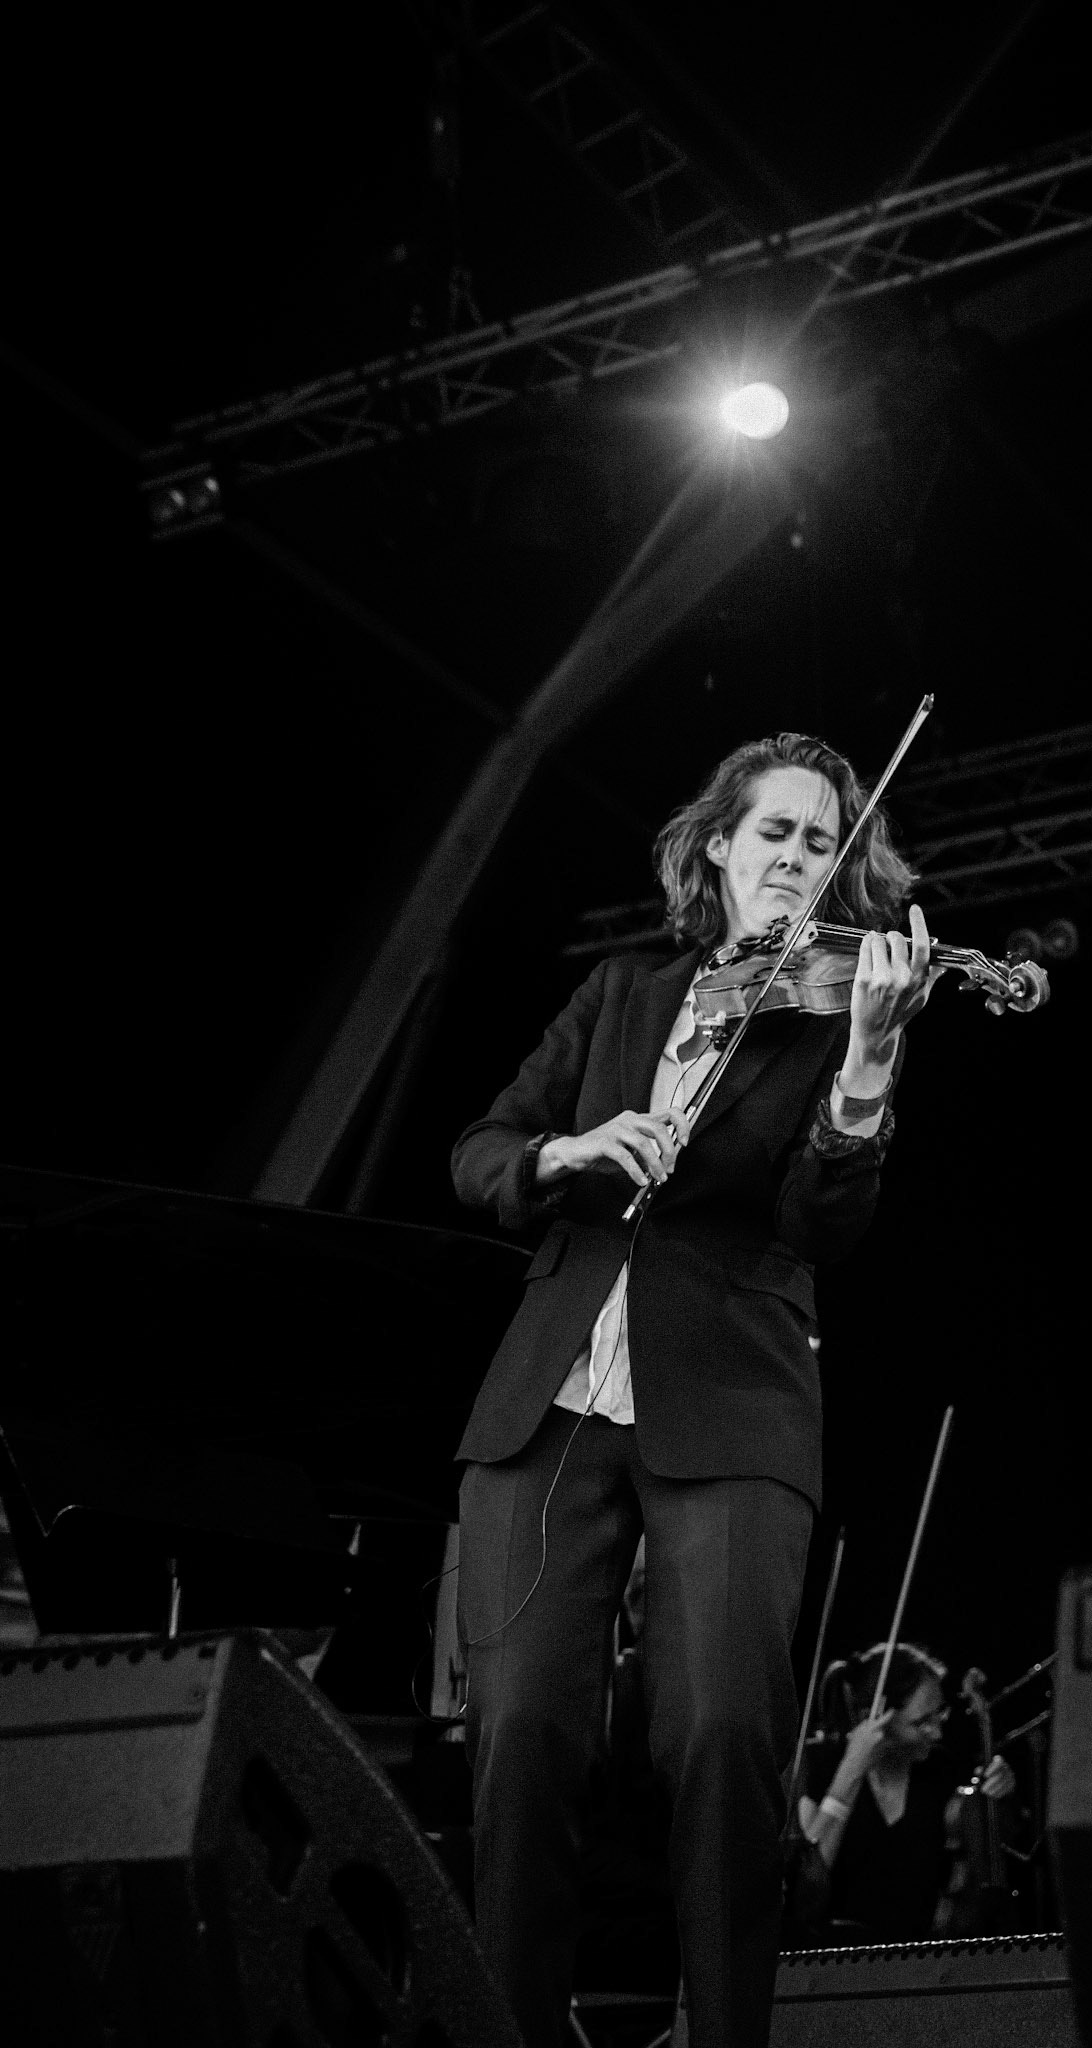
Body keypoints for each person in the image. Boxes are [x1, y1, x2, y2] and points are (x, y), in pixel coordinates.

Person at [449, 731, 942, 2048]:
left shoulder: (837, 1009)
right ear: (717, 847)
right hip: (545, 1410)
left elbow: (823, 1225)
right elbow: (478, 1151)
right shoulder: (618, 997)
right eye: (772, 830)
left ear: (844, 870)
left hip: (731, 1407)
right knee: (518, 1743)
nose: (794, 855)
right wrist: (565, 1150)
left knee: (724, 1739)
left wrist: (867, 1071)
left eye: (820, 839)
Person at [792, 1642, 1019, 1945]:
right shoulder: (817, 1765)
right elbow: (805, 1889)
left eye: (940, 1714)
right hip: (831, 1963)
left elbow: (997, 1853)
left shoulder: (941, 1769)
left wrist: (1002, 1793)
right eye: (922, 1722)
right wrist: (850, 1772)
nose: (937, 1732)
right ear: (873, 1716)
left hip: (922, 1961)